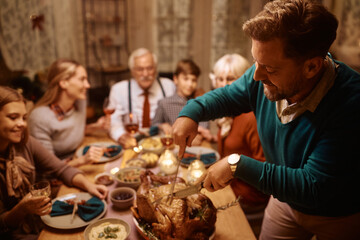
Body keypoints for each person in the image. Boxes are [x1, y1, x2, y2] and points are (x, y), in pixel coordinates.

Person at [172, 0, 360, 239]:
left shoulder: (351, 104)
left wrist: (236, 164)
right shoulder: (263, 70)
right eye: (255, 61)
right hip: (285, 201)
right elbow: (228, 96)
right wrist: (192, 111)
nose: (256, 75)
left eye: (270, 69)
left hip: (337, 215)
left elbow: (313, 187)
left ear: (311, 67)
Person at [0, 86, 108, 240]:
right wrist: (22, 209)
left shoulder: (25, 143)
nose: (22, 123)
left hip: (38, 220)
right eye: (13, 117)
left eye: (24, 118)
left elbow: (60, 168)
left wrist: (90, 185)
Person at [211, 54, 269, 211]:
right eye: (219, 79)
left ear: (244, 81)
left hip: (247, 197)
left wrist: (233, 169)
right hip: (229, 187)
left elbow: (265, 168)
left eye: (230, 78)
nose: (223, 85)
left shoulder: (250, 117)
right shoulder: (228, 111)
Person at [28, 59, 106, 167]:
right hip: (56, 177)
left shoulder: (79, 102)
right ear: (64, 83)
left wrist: (94, 127)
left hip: (76, 159)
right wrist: (83, 160)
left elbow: (67, 132)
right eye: (82, 79)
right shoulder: (40, 117)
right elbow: (48, 169)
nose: (88, 85)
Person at [108, 48, 176, 148]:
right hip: (132, 141)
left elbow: (178, 114)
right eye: (140, 69)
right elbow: (114, 121)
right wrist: (121, 136)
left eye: (150, 68)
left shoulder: (168, 86)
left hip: (163, 142)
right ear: (132, 71)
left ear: (156, 69)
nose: (145, 74)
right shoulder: (119, 90)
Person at [152, 59, 212, 145]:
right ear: (175, 79)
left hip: (198, 148)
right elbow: (153, 127)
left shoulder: (200, 102)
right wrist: (161, 125)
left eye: (193, 80)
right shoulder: (164, 103)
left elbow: (204, 128)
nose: (190, 84)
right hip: (173, 147)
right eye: (186, 79)